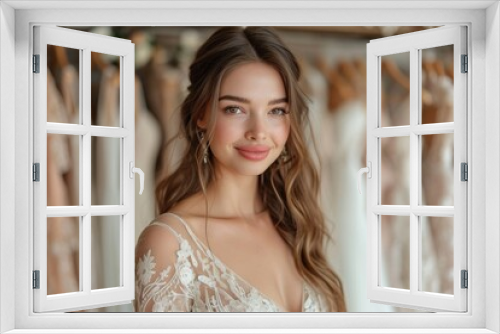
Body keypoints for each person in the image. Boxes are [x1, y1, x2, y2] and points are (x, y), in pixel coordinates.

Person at [134, 26, 346, 312]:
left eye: (276, 111)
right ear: (201, 114)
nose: (259, 132)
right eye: (235, 109)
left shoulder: (295, 221)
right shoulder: (170, 244)